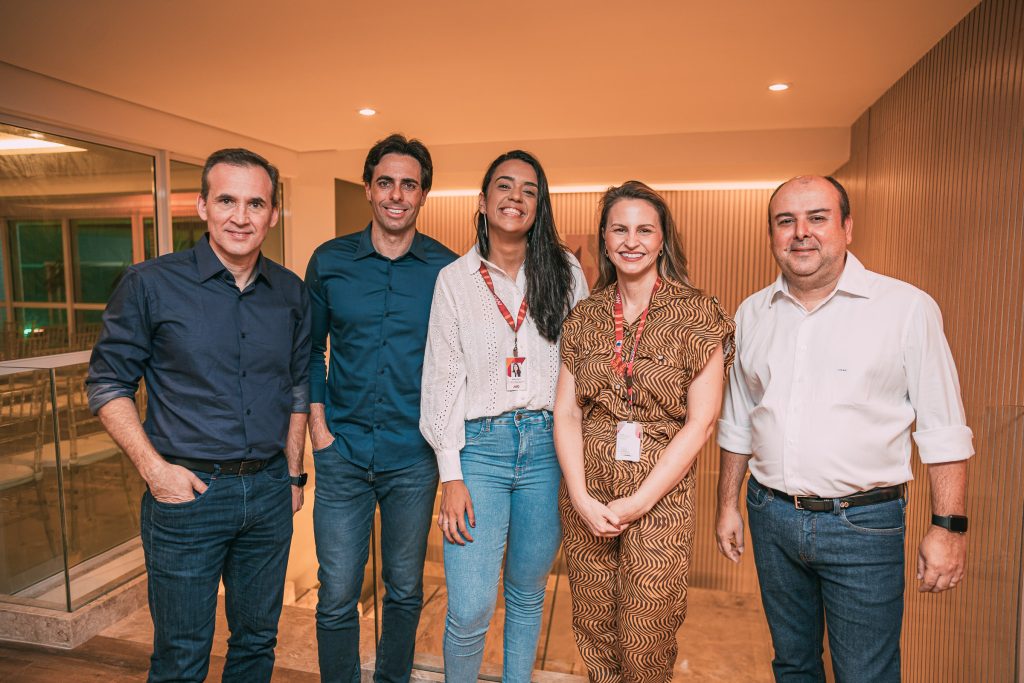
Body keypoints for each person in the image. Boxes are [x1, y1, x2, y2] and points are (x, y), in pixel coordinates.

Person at [715, 175, 973, 682]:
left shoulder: (905, 309)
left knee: (865, 675)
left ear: (847, 227)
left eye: (817, 218)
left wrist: (949, 529)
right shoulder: (752, 314)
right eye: (785, 221)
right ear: (772, 235)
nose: (800, 233)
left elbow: (944, 427)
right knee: (793, 666)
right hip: (771, 518)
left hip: (865, 528)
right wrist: (727, 504)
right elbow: (739, 421)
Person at [86, 148, 310, 683]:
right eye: (227, 200)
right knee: (181, 655)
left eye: (255, 203)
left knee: (256, 644)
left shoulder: (291, 292)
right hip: (188, 496)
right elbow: (107, 382)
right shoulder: (150, 284)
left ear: (273, 214)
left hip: (268, 494)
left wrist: (294, 472)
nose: (241, 216)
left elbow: (299, 383)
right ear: (202, 205)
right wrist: (155, 472)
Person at [553, 181, 734, 682]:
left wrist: (638, 502)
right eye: (619, 229)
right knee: (593, 628)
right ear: (605, 238)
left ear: (662, 239)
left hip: (660, 495)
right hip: (586, 489)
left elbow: (701, 424)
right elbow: (566, 414)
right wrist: (581, 496)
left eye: (644, 229)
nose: (631, 241)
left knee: (646, 634)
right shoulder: (586, 315)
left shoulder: (698, 314)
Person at [420, 150, 588, 682]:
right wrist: (451, 475)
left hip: (547, 450)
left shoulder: (565, 273)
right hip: (479, 453)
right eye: (504, 186)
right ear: (484, 199)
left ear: (540, 206)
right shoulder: (454, 279)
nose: (516, 197)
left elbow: (582, 365)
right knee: (468, 609)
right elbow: (442, 378)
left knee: (526, 594)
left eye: (529, 190)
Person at [306, 134, 457, 683]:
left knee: (405, 589)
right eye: (386, 182)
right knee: (337, 593)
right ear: (369, 188)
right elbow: (310, 351)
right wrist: (318, 429)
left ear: (423, 194)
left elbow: (456, 366)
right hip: (341, 453)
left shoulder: (448, 270)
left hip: (413, 459)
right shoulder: (328, 261)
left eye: (409, 185)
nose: (397, 195)